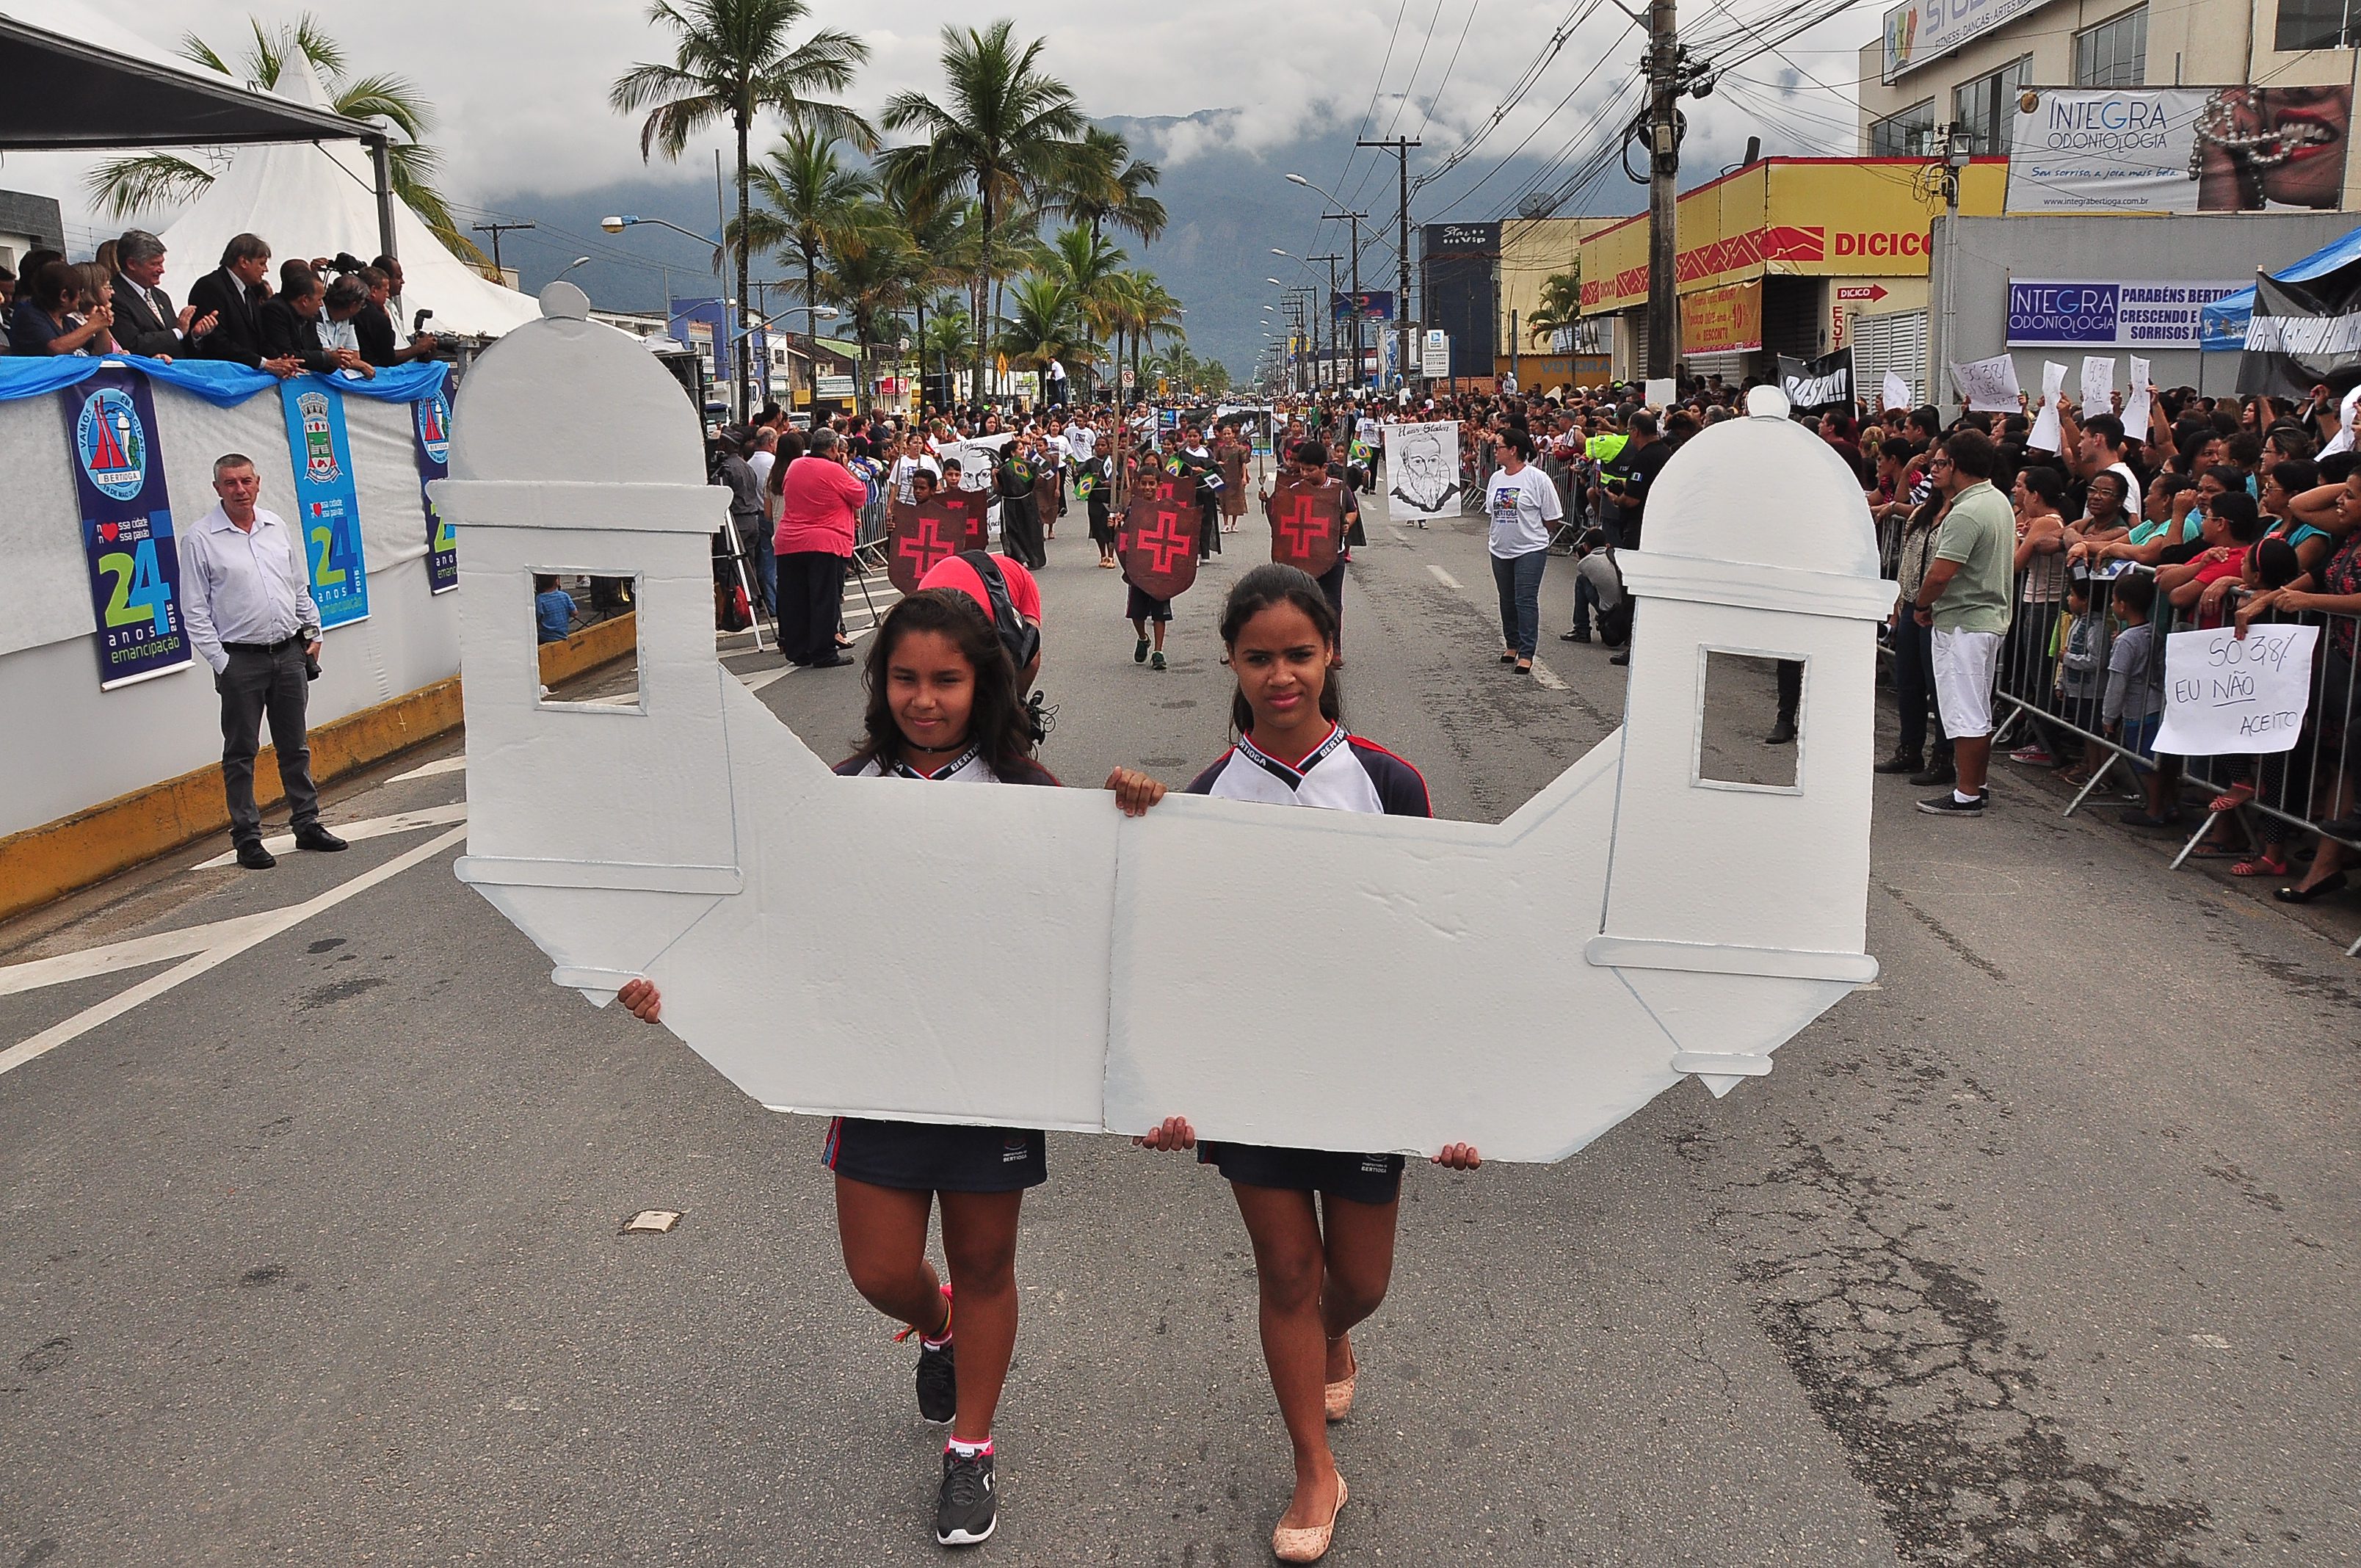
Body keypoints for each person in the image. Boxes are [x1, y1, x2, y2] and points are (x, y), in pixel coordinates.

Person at [616, 587, 1088, 1548]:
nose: (925, 698)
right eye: (907, 679)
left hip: (993, 1076)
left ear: (982, 684)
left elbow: (1085, 927)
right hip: (875, 1074)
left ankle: (971, 1451)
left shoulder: (1035, 796)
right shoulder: (833, 792)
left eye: (946, 680)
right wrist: (671, 976)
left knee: (988, 1261)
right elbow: (765, 915)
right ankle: (941, 1325)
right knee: (879, 1270)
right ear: (882, 685)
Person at [1117, 564, 1481, 1566]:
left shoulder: (1389, 780)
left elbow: (1438, 931)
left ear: (1332, 655)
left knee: (1356, 1281)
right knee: (1286, 1269)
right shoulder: (1202, 796)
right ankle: (1314, 1469)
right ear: (1230, 663)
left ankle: (1338, 1333)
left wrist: (1457, 1086)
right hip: (1255, 1076)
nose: (1281, 675)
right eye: (1258, 657)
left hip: (1366, 1072)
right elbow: (1173, 949)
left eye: (1299, 654)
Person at [177, 454, 349, 869]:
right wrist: (222, 662)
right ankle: (247, 837)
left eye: (246, 481)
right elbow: (194, 611)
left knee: (295, 746)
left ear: (258, 483)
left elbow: (297, 584)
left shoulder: (276, 526)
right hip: (241, 661)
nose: (240, 489)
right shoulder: (200, 539)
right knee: (241, 752)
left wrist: (314, 630)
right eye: (230, 483)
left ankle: (307, 824)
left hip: (288, 653)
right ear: (217, 488)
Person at [1912, 431, 2015, 816]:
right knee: (1976, 708)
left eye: (1941, 462)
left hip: (1965, 622)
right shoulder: (1996, 500)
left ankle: (1967, 793)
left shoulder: (1968, 510)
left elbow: (1940, 574)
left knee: (1964, 710)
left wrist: (1921, 605)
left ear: (1955, 464)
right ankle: (1977, 785)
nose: (1935, 468)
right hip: (1983, 619)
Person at [773, 427, 867, 667]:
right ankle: (823, 651)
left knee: (795, 599)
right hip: (824, 541)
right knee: (824, 598)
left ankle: (798, 649)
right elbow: (859, 495)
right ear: (834, 448)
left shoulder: (795, 466)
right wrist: (845, 467)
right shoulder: (834, 469)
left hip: (790, 540)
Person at [1484, 428, 1561, 676]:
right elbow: (1492, 512)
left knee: (1525, 600)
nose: (1495, 451)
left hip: (1530, 548)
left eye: (1499, 447)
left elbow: (1551, 518)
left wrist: (1537, 535)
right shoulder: (1497, 478)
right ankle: (1512, 644)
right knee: (1506, 599)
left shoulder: (1537, 479)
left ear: (1514, 450)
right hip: (1501, 547)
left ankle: (1527, 653)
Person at [189, 234, 301, 376]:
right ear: (244, 262)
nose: (266, 270)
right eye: (261, 263)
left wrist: (280, 361)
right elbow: (217, 342)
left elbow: (259, 338)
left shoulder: (248, 291)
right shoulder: (210, 287)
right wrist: (264, 363)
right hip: (221, 377)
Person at [109, 229, 215, 357]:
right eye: (155, 264)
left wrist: (195, 334)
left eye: (162, 263)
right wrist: (178, 332)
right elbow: (132, 344)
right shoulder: (113, 296)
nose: (162, 270)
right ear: (132, 264)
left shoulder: (161, 296)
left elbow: (176, 342)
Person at [7, 261, 109, 356]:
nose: (80, 296)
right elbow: (56, 349)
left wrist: (102, 326)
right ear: (64, 296)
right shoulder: (28, 316)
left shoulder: (69, 323)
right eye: (79, 290)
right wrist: (92, 326)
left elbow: (101, 353)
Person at [354, 266, 438, 366]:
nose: (387, 295)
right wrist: (419, 348)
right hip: (380, 373)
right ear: (374, 291)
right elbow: (388, 359)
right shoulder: (377, 318)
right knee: (439, 368)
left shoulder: (356, 311)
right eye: (385, 291)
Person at [1078, 435, 1117, 567]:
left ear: (1108, 447)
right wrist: (1090, 476)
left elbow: (1121, 478)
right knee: (1097, 527)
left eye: (1103, 445)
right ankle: (1103, 555)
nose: (1100, 448)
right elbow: (1079, 472)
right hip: (1094, 499)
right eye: (1098, 445)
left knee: (1110, 527)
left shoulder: (1113, 461)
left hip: (1109, 499)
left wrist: (1111, 483)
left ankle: (1111, 556)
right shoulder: (1090, 462)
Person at [534, 573, 577, 644]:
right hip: (563, 634)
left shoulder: (540, 599)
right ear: (557, 582)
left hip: (546, 637)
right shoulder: (565, 596)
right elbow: (575, 613)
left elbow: (538, 617)